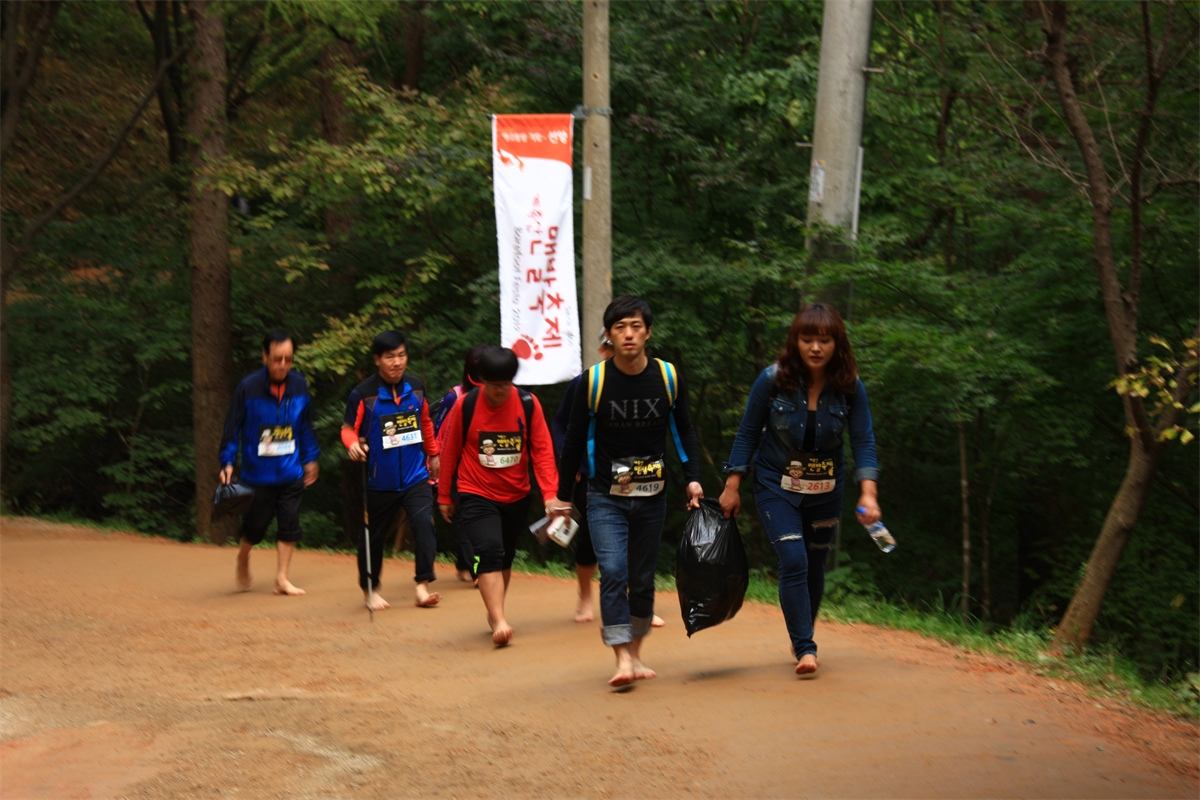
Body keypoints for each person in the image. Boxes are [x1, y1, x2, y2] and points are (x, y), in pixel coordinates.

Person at [719, 302, 880, 676]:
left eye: (825, 340)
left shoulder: (850, 387)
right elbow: (748, 432)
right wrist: (732, 485)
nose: (816, 348)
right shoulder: (772, 380)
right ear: (796, 341)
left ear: (837, 344)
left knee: (815, 562)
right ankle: (806, 647)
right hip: (776, 485)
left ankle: (801, 631)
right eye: (808, 339)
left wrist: (868, 493)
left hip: (827, 490)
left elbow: (863, 440)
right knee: (794, 560)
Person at [551, 297, 703, 687]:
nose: (629, 334)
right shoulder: (593, 382)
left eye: (636, 326)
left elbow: (684, 429)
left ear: (648, 332)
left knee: (643, 577)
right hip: (605, 496)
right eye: (620, 327)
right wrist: (563, 495)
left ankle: (636, 654)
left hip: (653, 496)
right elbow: (573, 442)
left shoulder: (667, 377)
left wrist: (692, 477)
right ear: (609, 335)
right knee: (615, 571)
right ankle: (621, 657)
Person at [437, 346, 559, 646]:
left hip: (516, 495)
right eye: (493, 385)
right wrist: (444, 495)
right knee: (489, 550)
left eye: (505, 385)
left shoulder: (528, 404)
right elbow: (450, 451)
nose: (498, 391)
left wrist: (550, 494)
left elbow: (542, 451)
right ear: (482, 381)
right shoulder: (466, 405)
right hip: (475, 490)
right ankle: (499, 619)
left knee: (504, 556)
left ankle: (495, 612)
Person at [551, 332, 670, 627]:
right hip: (596, 475)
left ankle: (638, 605)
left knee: (639, 540)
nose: (612, 350)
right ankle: (584, 596)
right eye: (607, 346)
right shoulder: (587, 382)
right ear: (603, 349)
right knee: (592, 540)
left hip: (642, 473)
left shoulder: (653, 380)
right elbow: (562, 427)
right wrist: (573, 464)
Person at [341, 330, 441, 611]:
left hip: (415, 476)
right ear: (377, 359)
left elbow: (425, 422)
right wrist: (353, 445)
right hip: (379, 481)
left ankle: (422, 586)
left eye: (401, 355)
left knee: (424, 523)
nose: (397, 362)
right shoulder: (363, 394)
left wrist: (433, 454)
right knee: (373, 537)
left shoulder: (416, 387)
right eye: (390, 357)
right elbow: (348, 429)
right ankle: (370, 590)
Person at [219, 330, 321, 595]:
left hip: (291, 471)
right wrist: (227, 462)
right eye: (277, 359)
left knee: (290, 523)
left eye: (288, 359)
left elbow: (305, 426)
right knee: (255, 527)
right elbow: (232, 428)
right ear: (264, 356)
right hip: (257, 474)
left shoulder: (299, 385)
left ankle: (281, 578)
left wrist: (310, 459)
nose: (283, 365)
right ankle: (243, 556)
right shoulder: (248, 387)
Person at [433, 344, 489, 582]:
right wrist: (435, 459)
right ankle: (477, 570)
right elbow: (437, 430)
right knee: (468, 518)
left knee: (480, 519)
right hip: (459, 466)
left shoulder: (497, 395)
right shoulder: (454, 397)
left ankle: (466, 565)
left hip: (486, 466)